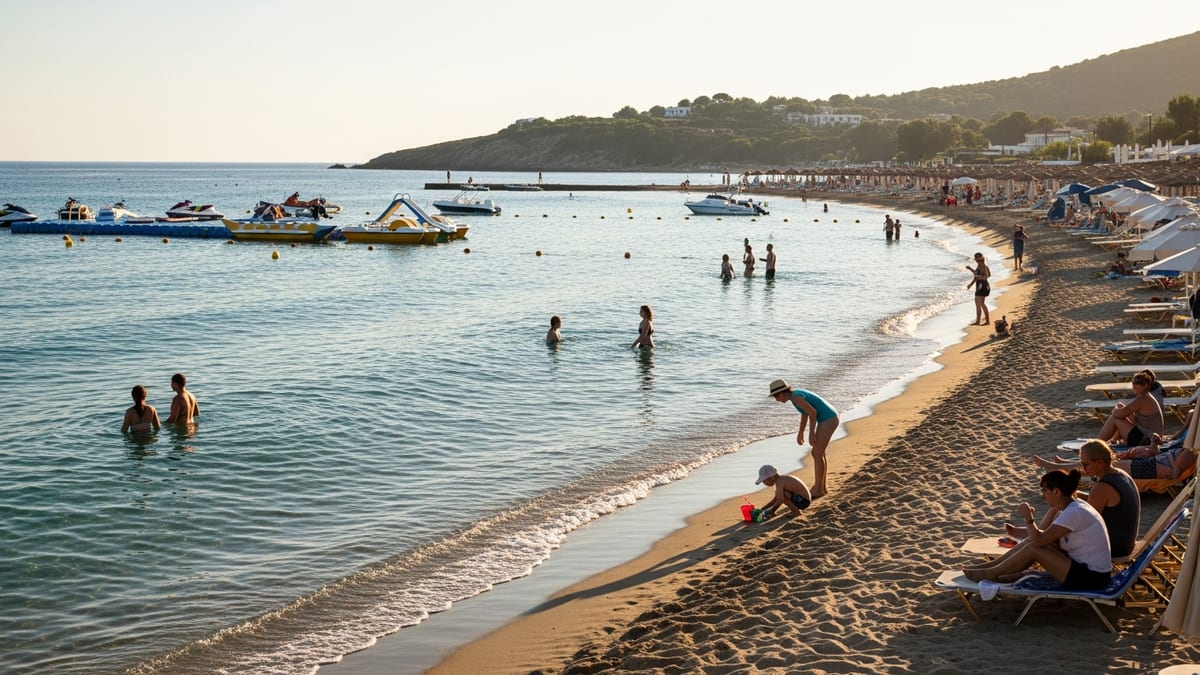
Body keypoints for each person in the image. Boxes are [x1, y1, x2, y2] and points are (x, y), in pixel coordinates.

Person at [963, 469, 1112, 590]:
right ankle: (990, 567)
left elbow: (1039, 541)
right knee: (1031, 542)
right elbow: (1044, 538)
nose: (1043, 495)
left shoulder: (1074, 512)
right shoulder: (1072, 507)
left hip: (1092, 579)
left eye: (1045, 490)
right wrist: (1033, 530)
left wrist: (1028, 519)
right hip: (1085, 570)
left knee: (1036, 547)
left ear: (1056, 492)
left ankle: (990, 573)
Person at [1031, 440, 1140, 558]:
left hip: (1113, 548)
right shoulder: (1121, 474)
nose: (1082, 468)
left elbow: (1087, 522)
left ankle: (1041, 534)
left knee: (1061, 502)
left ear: (1099, 463)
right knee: (1064, 498)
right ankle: (1042, 531)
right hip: (1125, 542)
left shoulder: (1102, 487)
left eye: (1086, 464)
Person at [769, 379, 839, 499]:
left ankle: (818, 489)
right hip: (829, 418)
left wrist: (812, 433)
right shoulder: (795, 396)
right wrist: (800, 432)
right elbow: (805, 413)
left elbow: (812, 412)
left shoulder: (796, 398)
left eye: (776, 396)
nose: (776, 399)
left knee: (816, 454)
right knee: (818, 454)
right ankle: (821, 488)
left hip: (828, 419)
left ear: (781, 393)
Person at [1095, 371, 1164, 447]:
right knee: (1120, 407)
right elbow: (1126, 413)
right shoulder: (1146, 396)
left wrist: (1115, 411)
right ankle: (1112, 440)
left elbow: (1120, 414)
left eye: (1140, 383)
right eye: (1134, 383)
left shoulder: (1143, 399)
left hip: (1148, 440)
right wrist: (1118, 409)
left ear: (1146, 385)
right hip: (1148, 435)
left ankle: (1096, 444)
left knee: (1115, 419)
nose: (1135, 386)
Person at [965, 252, 991, 326]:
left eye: (976, 259)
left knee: (981, 304)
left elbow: (985, 276)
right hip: (982, 285)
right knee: (978, 304)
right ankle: (978, 321)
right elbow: (988, 275)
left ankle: (987, 321)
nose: (976, 260)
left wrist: (971, 284)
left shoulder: (982, 266)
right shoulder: (982, 265)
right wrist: (970, 269)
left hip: (982, 286)